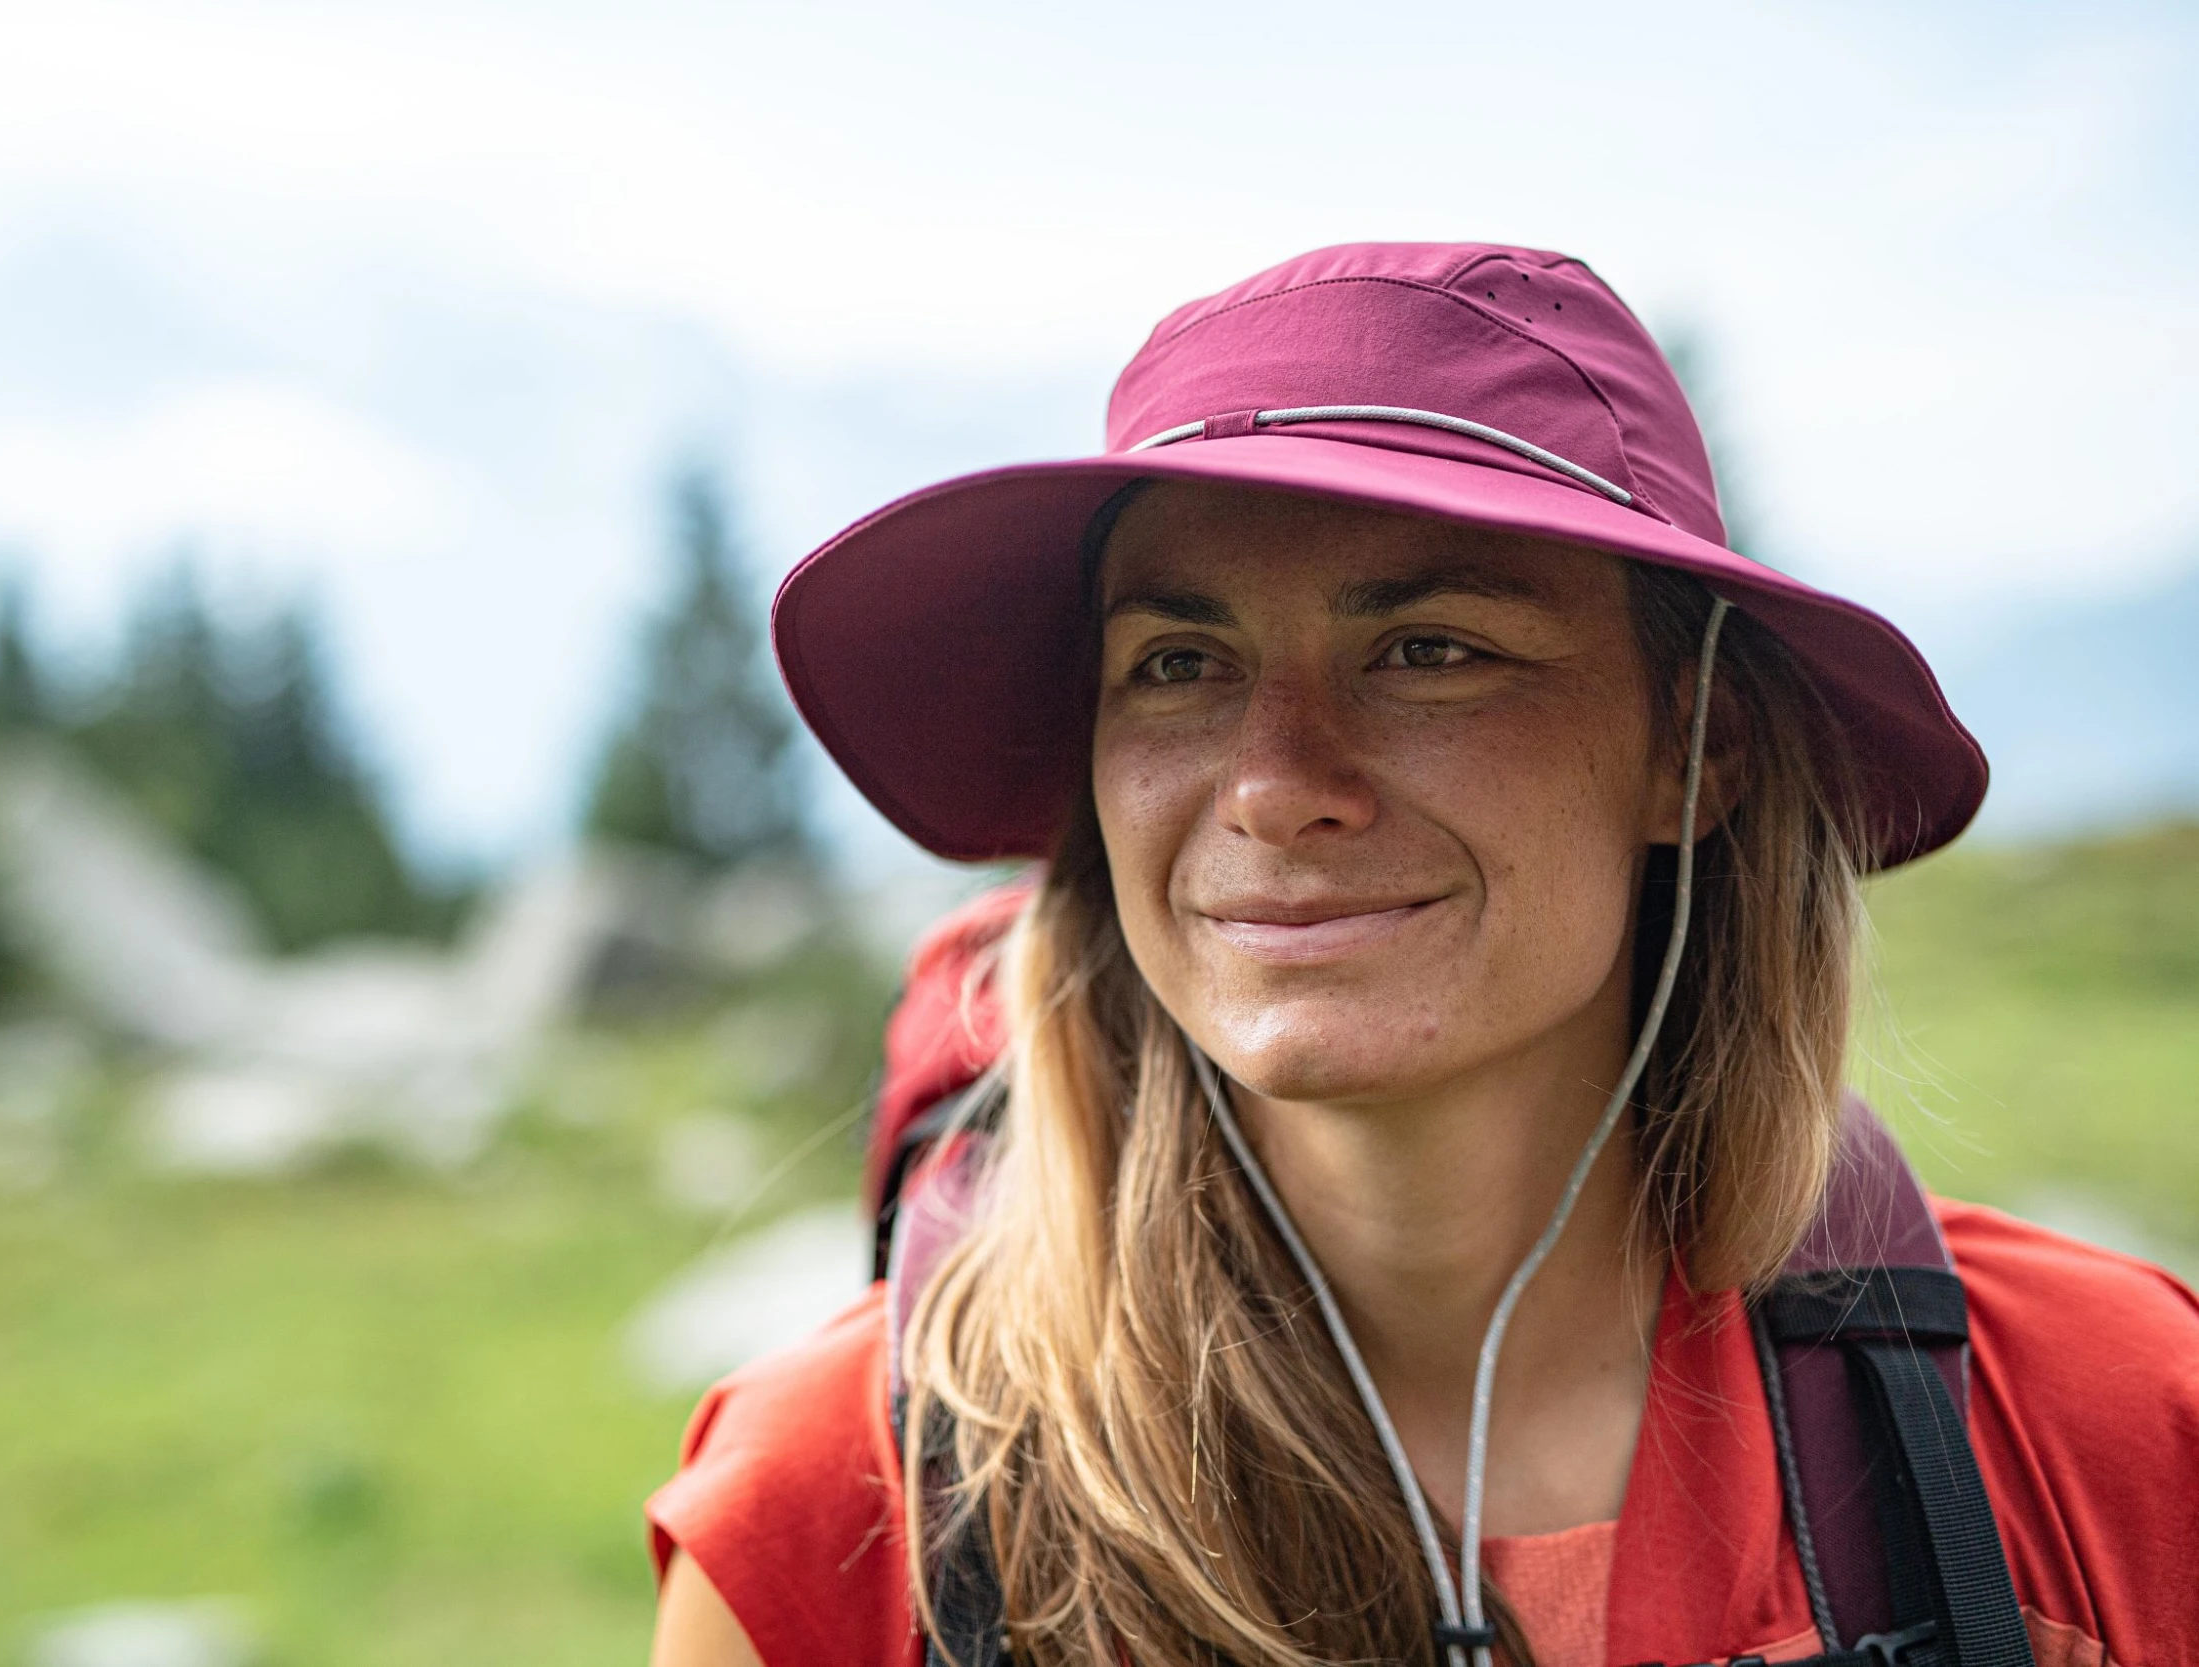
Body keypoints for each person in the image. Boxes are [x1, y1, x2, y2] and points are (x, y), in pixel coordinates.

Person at [645, 243, 2199, 1667]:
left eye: (1430, 649)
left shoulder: (2112, 1424)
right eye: (1178, 663)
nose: (1272, 784)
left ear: (1697, 746)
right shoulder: (826, 1519)